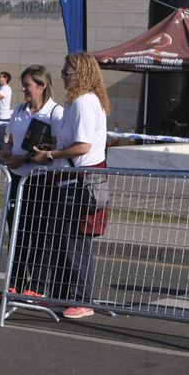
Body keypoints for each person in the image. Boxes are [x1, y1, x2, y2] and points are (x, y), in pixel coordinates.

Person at [45, 52, 111, 318]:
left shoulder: (84, 102)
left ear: (81, 73)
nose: (63, 74)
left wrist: (50, 155)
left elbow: (82, 146)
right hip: (70, 179)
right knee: (62, 241)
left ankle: (83, 299)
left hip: (81, 181)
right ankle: (62, 295)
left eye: (67, 71)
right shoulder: (75, 103)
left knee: (76, 242)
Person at [0, 65, 63, 297]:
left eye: (28, 85)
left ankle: (37, 286)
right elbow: (11, 140)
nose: (23, 89)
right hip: (17, 178)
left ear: (42, 86)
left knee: (39, 234)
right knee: (17, 232)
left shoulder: (55, 112)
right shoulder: (20, 110)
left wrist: (24, 157)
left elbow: (55, 147)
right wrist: (4, 152)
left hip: (41, 180)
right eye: (23, 85)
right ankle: (15, 281)